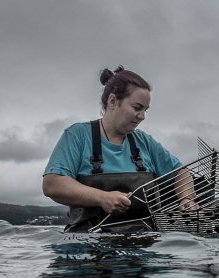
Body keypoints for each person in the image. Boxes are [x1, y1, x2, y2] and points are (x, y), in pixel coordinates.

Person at [42, 65, 198, 232]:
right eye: (137, 108)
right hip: (89, 244)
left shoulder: (144, 141)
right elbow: (52, 184)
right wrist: (102, 198)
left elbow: (181, 172)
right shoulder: (78, 135)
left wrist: (186, 199)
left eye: (145, 110)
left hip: (143, 242)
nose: (143, 116)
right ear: (113, 101)